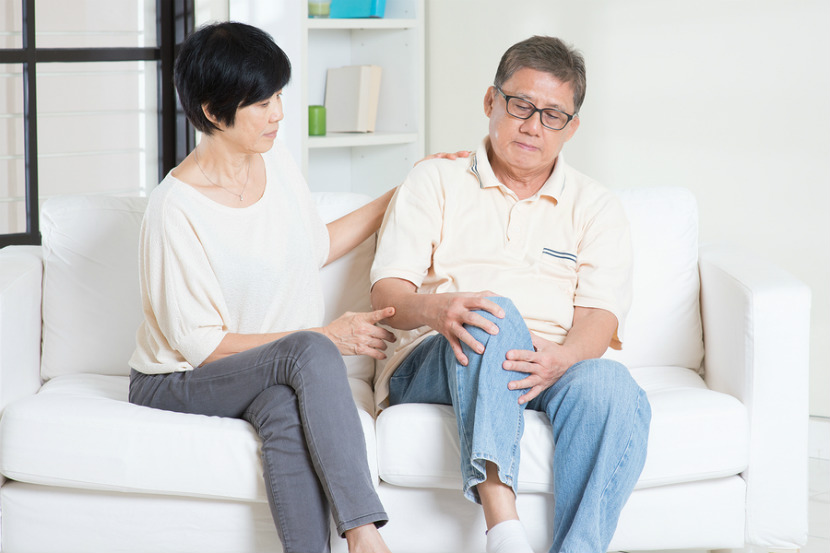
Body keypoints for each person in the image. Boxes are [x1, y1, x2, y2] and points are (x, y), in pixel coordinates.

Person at [128, 21, 403, 553]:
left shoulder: (273, 159)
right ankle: (365, 535)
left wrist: (396, 195)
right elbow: (203, 346)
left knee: (282, 405)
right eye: (261, 103)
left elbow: (311, 247)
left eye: (279, 95)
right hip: (177, 378)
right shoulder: (175, 209)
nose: (278, 113)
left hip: (258, 370)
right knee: (307, 349)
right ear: (212, 112)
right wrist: (327, 336)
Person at [370, 36, 652, 553]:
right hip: (440, 355)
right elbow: (387, 291)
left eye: (552, 115)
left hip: (544, 363)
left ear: (571, 128)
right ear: (490, 102)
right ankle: (504, 530)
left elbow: (600, 316)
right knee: (490, 311)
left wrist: (563, 358)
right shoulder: (434, 179)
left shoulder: (595, 205)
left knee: (612, 385)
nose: (532, 126)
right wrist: (438, 308)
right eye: (520, 105)